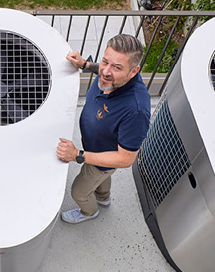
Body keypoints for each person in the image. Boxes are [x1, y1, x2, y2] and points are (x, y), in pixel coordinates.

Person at [56, 34, 151, 224]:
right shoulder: (111, 76)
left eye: (116, 67)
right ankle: (103, 197)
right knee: (103, 177)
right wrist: (85, 64)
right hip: (97, 153)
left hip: (100, 159)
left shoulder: (136, 111)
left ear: (134, 71)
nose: (105, 72)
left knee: (79, 192)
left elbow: (125, 159)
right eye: (105, 62)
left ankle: (89, 211)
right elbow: (106, 68)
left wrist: (78, 155)